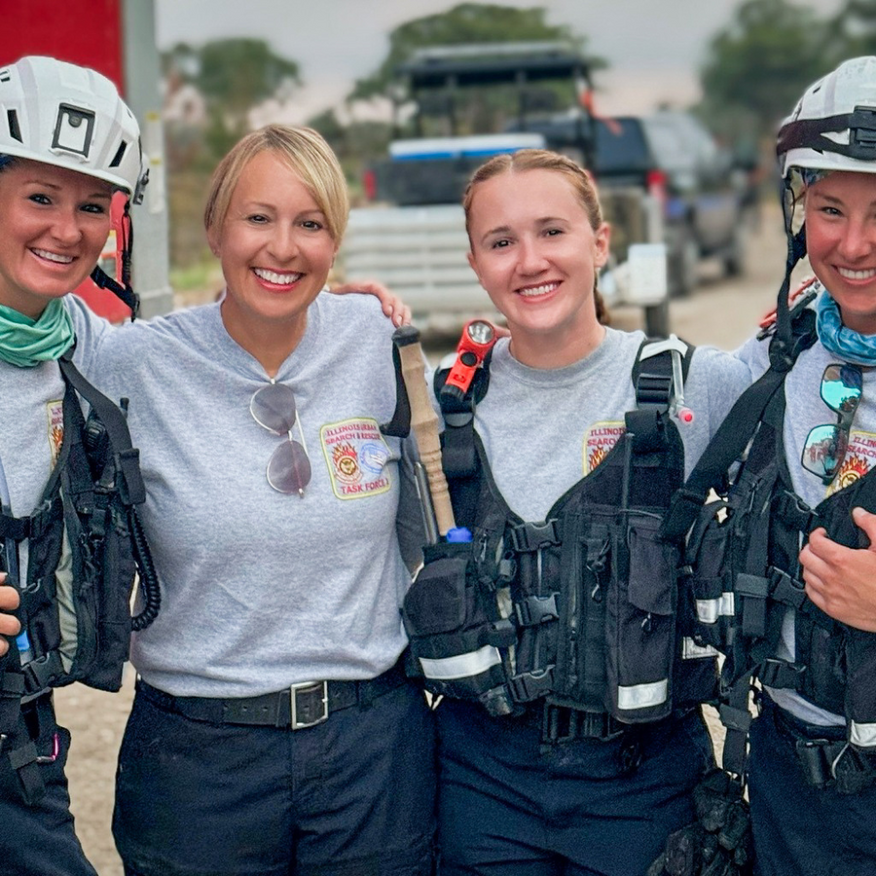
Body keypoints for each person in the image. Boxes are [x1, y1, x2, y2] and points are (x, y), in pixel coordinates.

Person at [62, 123, 434, 876]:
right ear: (215, 228)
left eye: (311, 224)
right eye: (258, 218)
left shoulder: (378, 338)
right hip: (200, 765)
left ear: (336, 241)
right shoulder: (134, 359)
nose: (283, 248)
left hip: (374, 753)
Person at [398, 148, 752, 875]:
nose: (529, 261)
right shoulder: (439, 407)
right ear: (475, 261)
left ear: (600, 241)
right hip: (481, 782)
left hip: (644, 783)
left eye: (552, 232)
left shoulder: (698, 385)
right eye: (501, 242)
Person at [683, 56, 876, 875]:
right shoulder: (769, 364)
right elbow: (586, 395)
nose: (854, 244)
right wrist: (351, 325)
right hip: (800, 795)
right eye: (830, 209)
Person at [0, 55, 155, 876]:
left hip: (22, 733)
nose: (66, 230)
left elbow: (223, 350)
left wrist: (352, 316)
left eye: (92, 205)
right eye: (39, 197)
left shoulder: (82, 346)